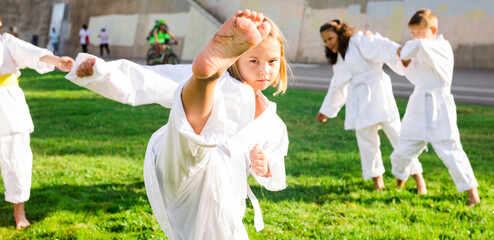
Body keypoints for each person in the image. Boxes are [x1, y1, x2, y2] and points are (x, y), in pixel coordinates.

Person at [65, 9, 289, 239]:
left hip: (223, 194)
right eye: (254, 60)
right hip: (184, 162)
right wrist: (103, 73)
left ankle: (203, 83)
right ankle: (205, 80)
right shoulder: (226, 83)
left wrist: (267, 165)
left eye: (272, 62)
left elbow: (276, 156)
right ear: (234, 61)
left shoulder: (272, 120)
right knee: (195, 127)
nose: (265, 69)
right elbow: (156, 80)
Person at [316, 20, 426, 192]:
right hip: (358, 101)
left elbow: (381, 46)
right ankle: (378, 184)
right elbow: (337, 84)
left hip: (378, 93)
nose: (328, 43)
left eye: (330, 38)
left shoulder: (359, 40)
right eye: (325, 41)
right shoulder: (340, 57)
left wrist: (400, 52)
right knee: (367, 143)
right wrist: (326, 110)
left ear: (340, 34)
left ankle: (418, 179)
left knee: (398, 136)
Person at [390, 9, 480, 206]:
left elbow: (411, 49)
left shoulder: (441, 47)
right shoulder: (417, 46)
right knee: (402, 150)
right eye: (412, 33)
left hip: (440, 105)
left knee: (451, 150)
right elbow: (402, 63)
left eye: (420, 32)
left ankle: (473, 195)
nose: (416, 37)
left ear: (433, 30)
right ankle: (400, 183)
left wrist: (407, 49)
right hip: (418, 104)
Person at [0, 16, 74, 229]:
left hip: (8, 106)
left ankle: (19, 213)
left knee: (15, 157)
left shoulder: (7, 42)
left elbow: (32, 54)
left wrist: (58, 61)